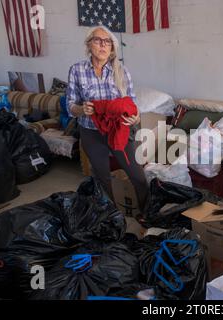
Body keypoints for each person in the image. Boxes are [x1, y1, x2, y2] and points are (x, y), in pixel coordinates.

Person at [66, 26, 149, 213]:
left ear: (112, 47)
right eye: (97, 40)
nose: (103, 45)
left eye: (108, 41)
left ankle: (146, 213)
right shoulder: (77, 70)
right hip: (91, 132)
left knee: (138, 176)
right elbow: (70, 105)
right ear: (89, 45)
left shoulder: (121, 71)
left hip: (118, 130)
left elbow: (132, 104)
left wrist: (135, 118)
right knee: (102, 178)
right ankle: (112, 217)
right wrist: (81, 109)